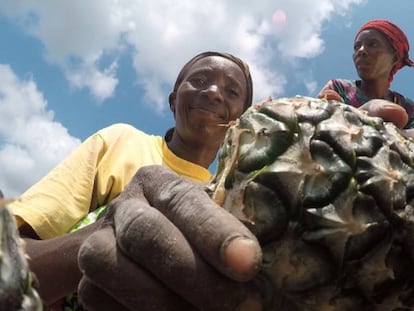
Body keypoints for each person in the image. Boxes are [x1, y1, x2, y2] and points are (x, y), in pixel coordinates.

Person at [8, 51, 264, 310]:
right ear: (173, 101)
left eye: (232, 91)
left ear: (240, 123)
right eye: (199, 80)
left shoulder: (235, 202)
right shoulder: (121, 143)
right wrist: (103, 235)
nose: (213, 92)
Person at [317, 19, 414, 132]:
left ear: (395, 58)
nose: (361, 51)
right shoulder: (339, 87)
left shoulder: (406, 106)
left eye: (373, 44)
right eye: (357, 47)